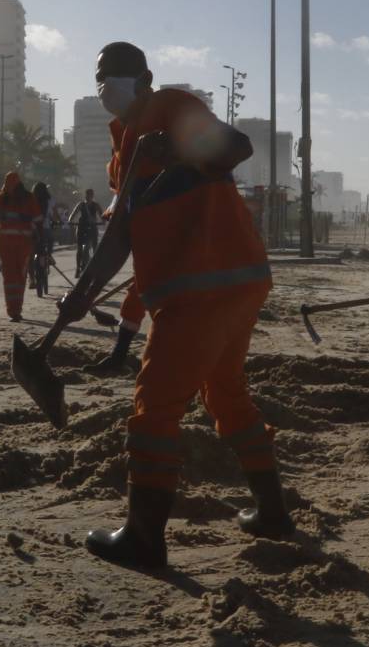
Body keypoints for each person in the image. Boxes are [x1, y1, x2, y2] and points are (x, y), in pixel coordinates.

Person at [58, 41, 284, 570]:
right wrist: (82, 294)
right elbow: (120, 234)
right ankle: (273, 511)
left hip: (199, 288)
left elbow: (237, 147)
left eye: (114, 74)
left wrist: (179, 151)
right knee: (225, 393)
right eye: (98, 77)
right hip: (234, 283)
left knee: (155, 407)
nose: (105, 85)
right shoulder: (124, 149)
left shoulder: (173, 108)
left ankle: (144, 538)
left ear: (145, 78)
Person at [0, 171, 40, 321]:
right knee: (18, 277)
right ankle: (15, 310)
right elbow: (38, 220)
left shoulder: (3, 198)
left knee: (11, 278)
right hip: (20, 245)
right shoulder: (25, 198)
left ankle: (14, 310)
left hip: (10, 245)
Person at [31, 181, 56, 298]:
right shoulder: (49, 201)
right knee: (50, 240)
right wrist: (57, 221)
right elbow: (54, 214)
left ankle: (32, 278)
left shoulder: (31, 200)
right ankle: (49, 255)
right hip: (45, 229)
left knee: (31, 253)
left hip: (33, 229)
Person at [71, 187, 102, 277]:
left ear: (92, 196)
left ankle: (95, 267)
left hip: (92, 228)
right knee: (79, 248)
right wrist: (70, 221)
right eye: (88, 195)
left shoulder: (96, 205)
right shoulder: (81, 205)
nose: (89, 197)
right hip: (82, 228)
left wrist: (103, 221)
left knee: (95, 248)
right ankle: (78, 268)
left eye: (90, 195)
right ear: (85, 195)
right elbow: (72, 215)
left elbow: (102, 215)